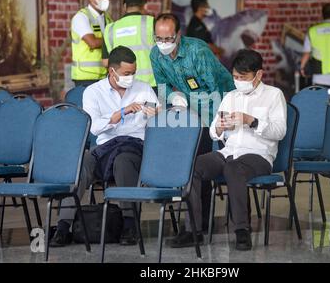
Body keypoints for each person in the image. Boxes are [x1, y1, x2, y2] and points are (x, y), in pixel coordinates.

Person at [167, 49, 287, 251]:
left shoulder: (274, 95)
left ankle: (242, 230)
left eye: (243, 77)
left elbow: (279, 131)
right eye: (235, 77)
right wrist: (221, 127)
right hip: (228, 151)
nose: (238, 81)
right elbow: (214, 131)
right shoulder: (230, 97)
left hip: (258, 155)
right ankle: (193, 230)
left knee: (234, 168)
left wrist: (252, 121)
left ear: (258, 74)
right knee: (191, 167)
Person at [51, 46, 159, 247]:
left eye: (134, 73)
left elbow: (157, 119)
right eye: (127, 74)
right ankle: (63, 227)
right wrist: (121, 113)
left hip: (135, 146)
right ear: (112, 72)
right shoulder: (93, 92)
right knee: (81, 164)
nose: (131, 77)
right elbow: (95, 128)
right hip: (104, 147)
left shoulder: (143, 89)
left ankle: (129, 224)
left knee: (124, 161)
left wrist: (157, 114)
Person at [150, 13, 235, 231]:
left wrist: (217, 123)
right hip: (192, 108)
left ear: (178, 35)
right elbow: (162, 86)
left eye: (168, 39)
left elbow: (214, 88)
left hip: (223, 103)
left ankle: (238, 222)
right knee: (198, 164)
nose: (163, 44)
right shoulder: (155, 55)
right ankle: (199, 223)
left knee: (230, 160)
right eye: (159, 39)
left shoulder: (197, 51)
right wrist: (174, 97)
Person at [102, 0, 156, 89]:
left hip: (121, 85)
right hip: (151, 85)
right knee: (154, 105)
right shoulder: (152, 23)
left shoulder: (110, 28)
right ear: (145, 5)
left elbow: (105, 62)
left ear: (125, 6)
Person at [71, 0, 113, 87]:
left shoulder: (108, 19)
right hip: (85, 77)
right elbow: (92, 42)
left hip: (104, 76)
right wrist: (114, 39)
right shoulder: (81, 17)